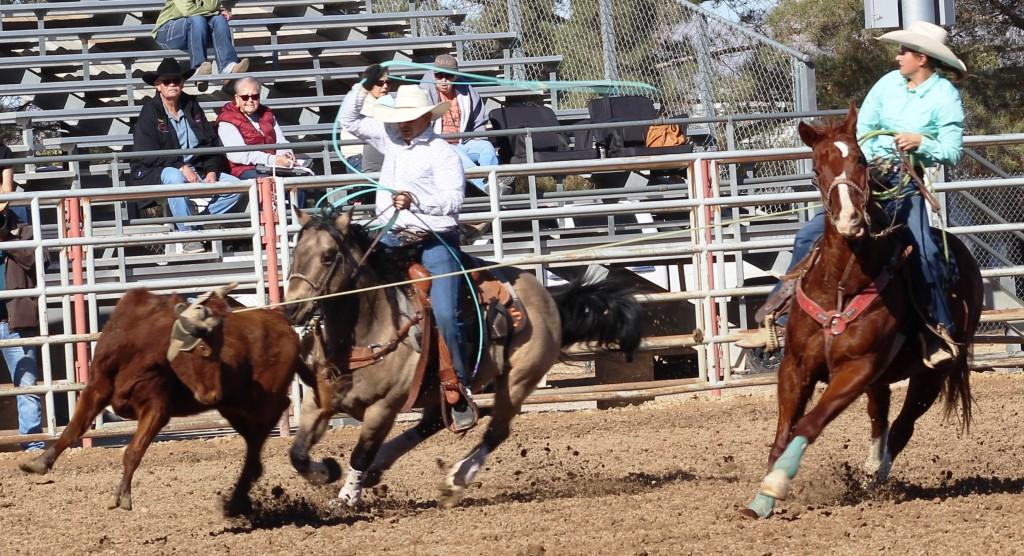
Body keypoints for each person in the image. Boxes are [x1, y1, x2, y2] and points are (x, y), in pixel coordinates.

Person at [758, 20, 966, 368]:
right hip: (867, 180)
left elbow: (953, 150)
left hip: (903, 183)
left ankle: (937, 330)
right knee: (809, 234)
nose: (899, 56)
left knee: (926, 251)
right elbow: (862, 129)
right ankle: (781, 315)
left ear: (923, 58)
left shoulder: (945, 96)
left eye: (905, 51)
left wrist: (920, 142)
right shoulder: (887, 84)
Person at [340, 66, 476, 430]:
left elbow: (452, 201)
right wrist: (364, 85)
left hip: (434, 239)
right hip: (391, 238)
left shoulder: (443, 154)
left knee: (446, 312)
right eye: (398, 118)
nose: (401, 124)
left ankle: (457, 385)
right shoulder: (390, 140)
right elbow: (349, 120)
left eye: (409, 118)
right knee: (353, 288)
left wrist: (415, 199)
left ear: (424, 118)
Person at [129, 57, 243, 254]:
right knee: (174, 177)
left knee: (237, 187)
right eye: (167, 81)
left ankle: (198, 224)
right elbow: (146, 153)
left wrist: (212, 171)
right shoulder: (149, 111)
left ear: (182, 83)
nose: (172, 84)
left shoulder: (191, 105)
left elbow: (210, 142)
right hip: (158, 171)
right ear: (158, 86)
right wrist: (180, 166)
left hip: (197, 169)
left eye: (177, 80)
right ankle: (188, 236)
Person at [420, 54, 511, 194]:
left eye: (449, 75)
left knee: (486, 147)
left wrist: (477, 139)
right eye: (439, 75)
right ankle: (489, 186)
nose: (444, 80)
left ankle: (493, 181)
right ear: (433, 75)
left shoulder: (467, 92)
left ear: (455, 76)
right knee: (453, 152)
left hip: (463, 142)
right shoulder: (425, 92)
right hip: (436, 146)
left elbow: (478, 122)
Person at [0, 206, 45, 452]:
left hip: (15, 322)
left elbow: (39, 258)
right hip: (11, 322)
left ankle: (33, 444)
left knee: (27, 385)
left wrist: (7, 239)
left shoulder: (25, 231)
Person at [152, 0, 249, 91]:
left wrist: (214, 13)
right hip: (167, 31)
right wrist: (214, 12)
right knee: (198, 20)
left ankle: (228, 68)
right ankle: (199, 69)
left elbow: (212, 6)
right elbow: (187, 9)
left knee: (219, 19)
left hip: (194, 28)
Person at [216, 76, 296, 180]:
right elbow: (238, 155)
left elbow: (280, 140)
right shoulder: (227, 120)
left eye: (255, 96)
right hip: (244, 169)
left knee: (298, 183)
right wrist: (273, 160)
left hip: (272, 166)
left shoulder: (267, 114)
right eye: (245, 97)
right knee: (269, 184)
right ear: (237, 98)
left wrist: (286, 153)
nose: (250, 100)